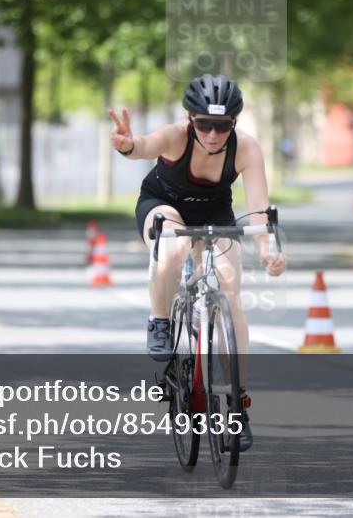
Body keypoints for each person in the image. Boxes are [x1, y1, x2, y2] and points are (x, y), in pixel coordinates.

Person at [109, 74, 287, 451]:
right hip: (163, 205)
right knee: (172, 251)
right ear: (191, 120)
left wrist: (268, 252)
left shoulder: (246, 149)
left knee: (230, 288)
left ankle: (237, 406)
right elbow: (144, 146)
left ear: (233, 124)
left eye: (221, 126)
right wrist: (128, 145)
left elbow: (257, 211)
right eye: (204, 124)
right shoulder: (176, 136)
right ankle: (159, 320)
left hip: (215, 214)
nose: (212, 134)